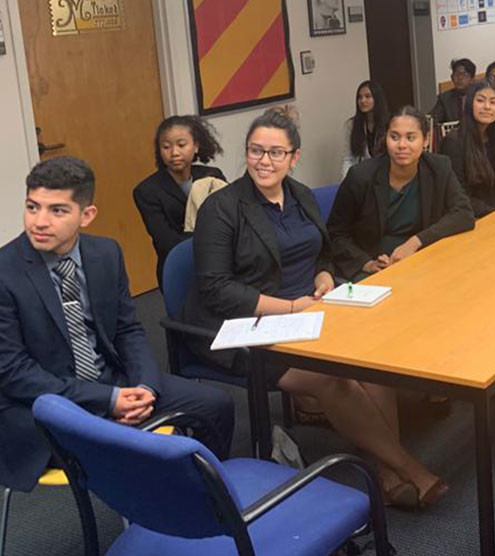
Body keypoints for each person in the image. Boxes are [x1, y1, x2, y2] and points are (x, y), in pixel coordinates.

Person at [184, 107, 448, 509]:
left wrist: (324, 276)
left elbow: (322, 252)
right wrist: (291, 307)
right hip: (248, 325)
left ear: (294, 157)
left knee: (372, 361)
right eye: (256, 151)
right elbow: (216, 289)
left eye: (276, 153)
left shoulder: (300, 195)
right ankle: (408, 469)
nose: (265, 161)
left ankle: (385, 471)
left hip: (309, 311)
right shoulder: (222, 208)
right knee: (333, 378)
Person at [0, 156, 235, 493]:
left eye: (57, 211)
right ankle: (155, 506)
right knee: (122, 449)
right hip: (45, 401)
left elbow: (128, 330)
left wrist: (145, 388)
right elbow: (13, 372)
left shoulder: (106, 253)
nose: (39, 221)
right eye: (32, 207)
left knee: (216, 406)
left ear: (86, 215)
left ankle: (209, 503)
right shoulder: (5, 272)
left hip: (113, 380)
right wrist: (107, 400)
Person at [328, 106, 475, 280]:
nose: (402, 145)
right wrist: (367, 263)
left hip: (422, 259)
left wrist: (415, 242)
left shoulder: (438, 167)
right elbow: (336, 233)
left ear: (426, 140)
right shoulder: (361, 176)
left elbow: (463, 213)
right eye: (394, 137)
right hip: (373, 268)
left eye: (411, 138)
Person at [133, 115, 225, 287]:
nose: (174, 153)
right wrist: (212, 242)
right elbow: (166, 241)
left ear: (196, 146)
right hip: (178, 268)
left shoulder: (212, 176)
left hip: (220, 264)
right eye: (166, 147)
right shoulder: (146, 191)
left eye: (181, 145)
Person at [440, 80, 495, 217]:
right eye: (480, 100)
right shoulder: (453, 142)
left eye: (493, 102)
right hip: (471, 217)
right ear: (469, 104)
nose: (487, 107)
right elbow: (459, 195)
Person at [342, 80, 390, 179]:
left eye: (367, 96)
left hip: (385, 176)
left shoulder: (389, 123)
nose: (363, 101)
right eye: (360, 97)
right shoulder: (352, 125)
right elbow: (348, 158)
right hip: (363, 176)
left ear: (377, 99)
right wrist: (345, 181)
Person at [430, 58, 475, 125]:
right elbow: (432, 119)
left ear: (472, 79)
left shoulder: (480, 96)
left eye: (464, 75)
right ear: (452, 78)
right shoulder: (445, 98)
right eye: (456, 74)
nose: (460, 78)